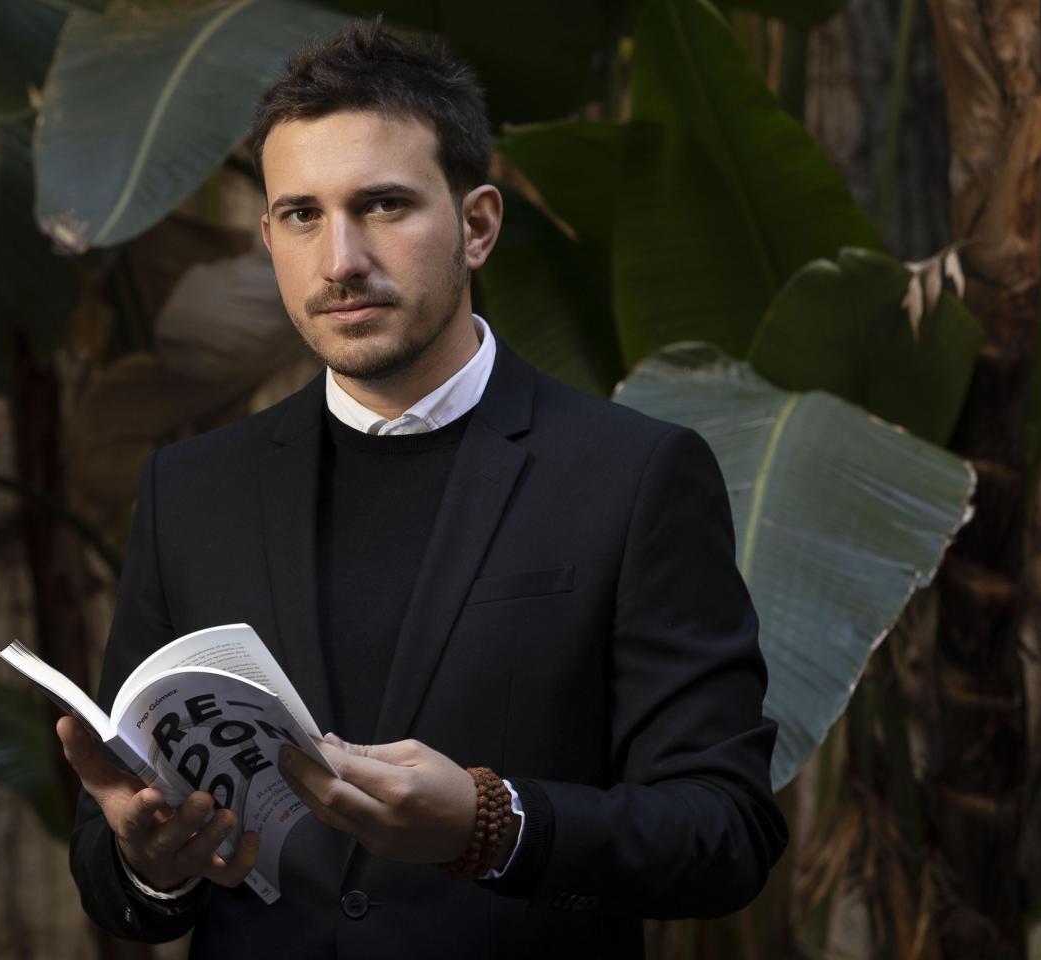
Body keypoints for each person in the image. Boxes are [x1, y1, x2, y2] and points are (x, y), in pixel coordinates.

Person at [54, 20, 787, 958]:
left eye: (384, 205)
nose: (340, 260)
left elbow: (726, 833)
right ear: (269, 235)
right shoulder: (190, 489)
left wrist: (494, 825)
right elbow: (112, 856)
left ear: (477, 225)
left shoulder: (635, 475)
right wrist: (148, 860)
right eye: (302, 215)